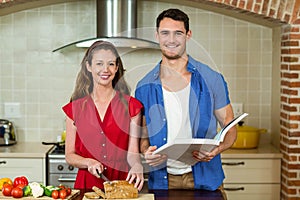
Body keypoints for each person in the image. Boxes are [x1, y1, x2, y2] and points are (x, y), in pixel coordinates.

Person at [135, 8, 236, 196]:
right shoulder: (144, 86)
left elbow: (230, 127)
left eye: (178, 33)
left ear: (188, 35)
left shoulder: (212, 79)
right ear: (157, 35)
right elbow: (144, 137)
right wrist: (146, 152)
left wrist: (218, 149)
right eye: (165, 33)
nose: (171, 40)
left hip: (205, 178)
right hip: (163, 181)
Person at [62, 40, 144, 190]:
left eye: (111, 64)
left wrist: (137, 165)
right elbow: (70, 155)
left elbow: (132, 153)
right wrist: (88, 162)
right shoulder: (75, 109)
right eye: (99, 63)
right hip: (88, 184)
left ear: (117, 67)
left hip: (122, 183)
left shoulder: (132, 107)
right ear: (89, 67)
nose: (105, 69)